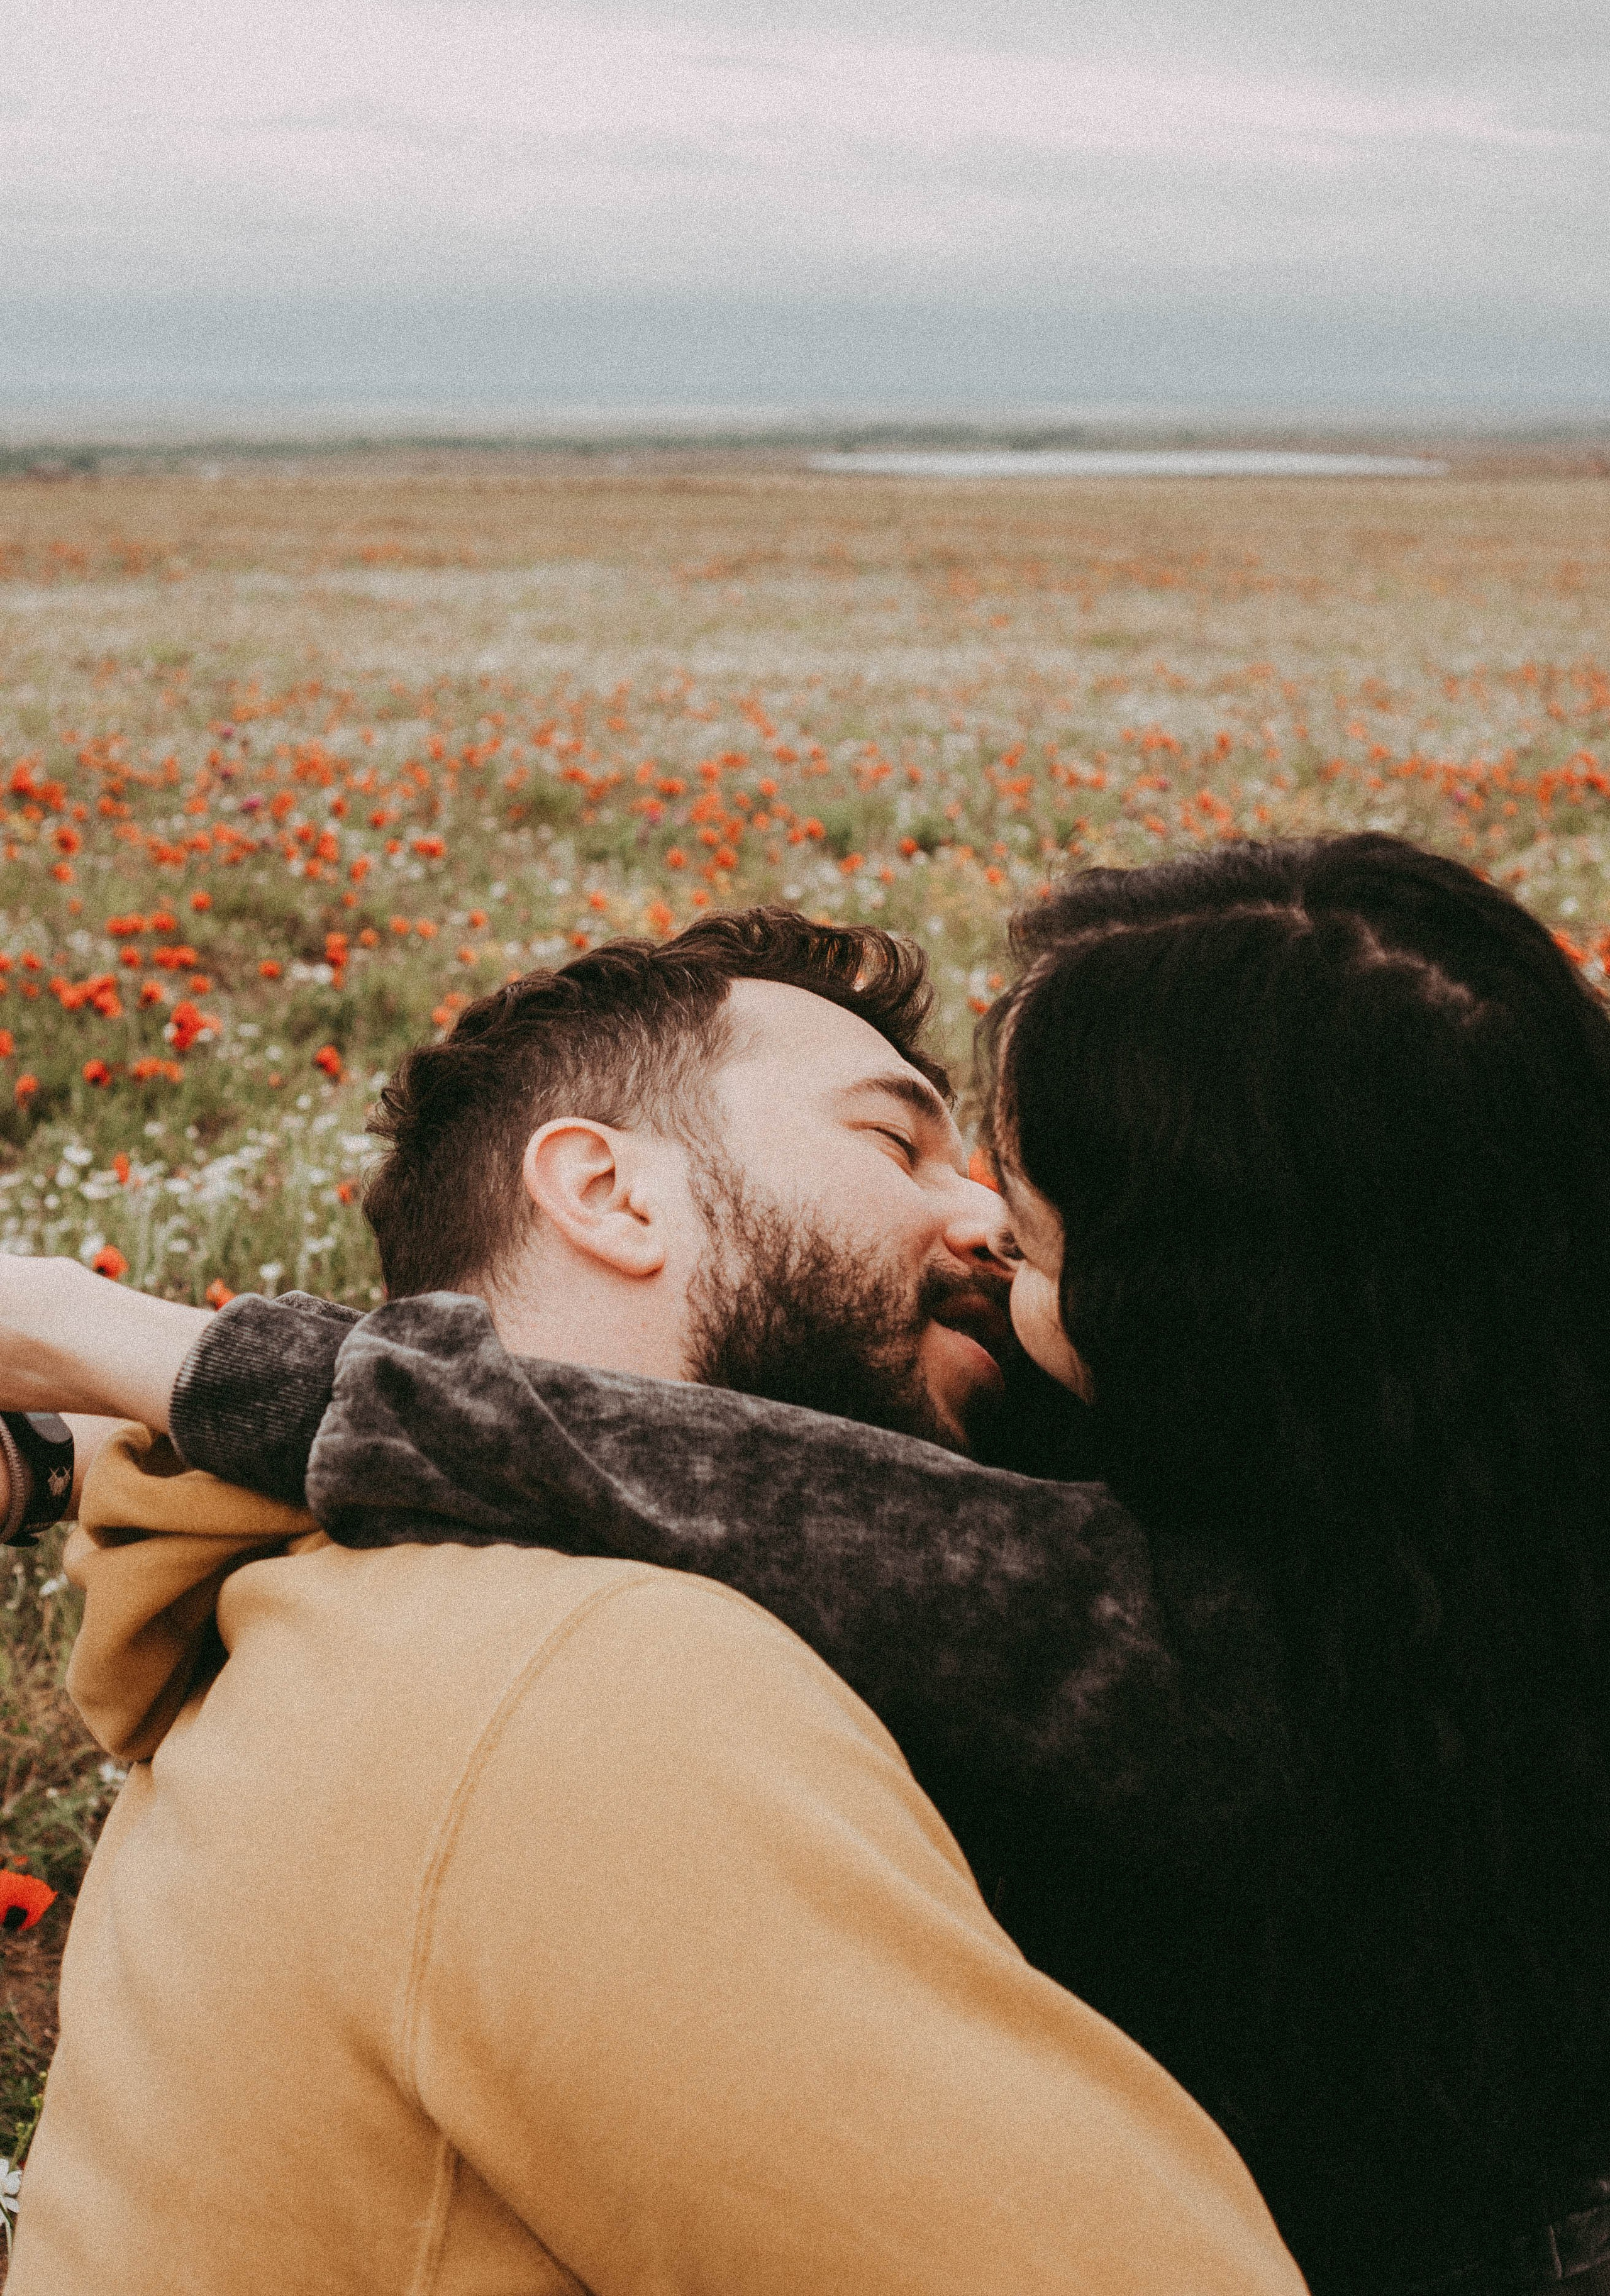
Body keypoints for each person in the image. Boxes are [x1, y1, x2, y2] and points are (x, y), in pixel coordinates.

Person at [21, 835, 1610, 2296]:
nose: (988, 1226)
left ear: (1245, 1340)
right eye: (896, 1138)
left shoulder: (1252, 1638)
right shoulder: (579, 1686)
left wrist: (125, 1365)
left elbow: (824, 1517)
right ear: (605, 1188)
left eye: (1055, 1239)